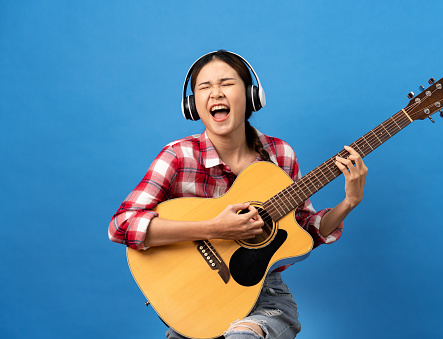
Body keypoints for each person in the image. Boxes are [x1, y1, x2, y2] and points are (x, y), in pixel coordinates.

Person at [109, 50, 368, 339]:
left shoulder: (280, 154)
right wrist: (214, 228)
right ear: (192, 104)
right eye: (204, 87)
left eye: (227, 84)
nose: (216, 93)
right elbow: (121, 225)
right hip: (196, 299)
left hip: (265, 297)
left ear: (250, 95)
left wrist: (349, 203)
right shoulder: (178, 156)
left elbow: (302, 231)